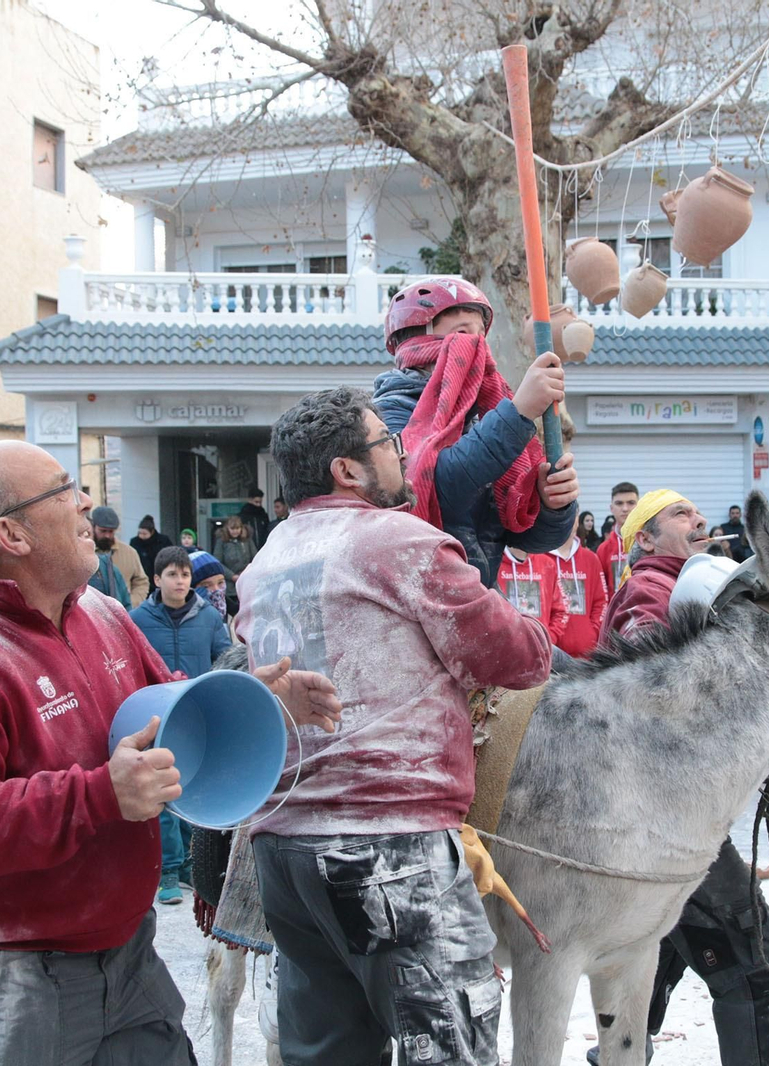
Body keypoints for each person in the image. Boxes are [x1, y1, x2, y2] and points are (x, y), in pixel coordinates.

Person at [0, 438, 340, 1063]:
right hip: (13, 979)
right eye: (65, 491)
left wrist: (255, 696)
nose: (86, 505)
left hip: (128, 957)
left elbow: (167, 705)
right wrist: (101, 794)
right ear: (12, 534)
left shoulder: (100, 611)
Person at [236, 387, 548, 1065]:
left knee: (327, 1053)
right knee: (448, 1047)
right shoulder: (397, 538)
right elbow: (514, 657)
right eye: (388, 444)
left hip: (284, 848)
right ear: (347, 470)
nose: (403, 456)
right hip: (388, 850)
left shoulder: (264, 561)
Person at [598, 488, 769, 1065]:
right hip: (666, 826)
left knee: (649, 967)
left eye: (697, 511)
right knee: (756, 969)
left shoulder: (696, 588)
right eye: (680, 514)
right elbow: (650, 697)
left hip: (658, 823)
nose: (700, 518)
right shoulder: (653, 590)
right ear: (645, 540)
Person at [372, 276, 579, 589]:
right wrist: (518, 412)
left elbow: (527, 538)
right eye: (463, 333)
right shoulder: (386, 417)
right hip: (415, 599)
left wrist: (552, 506)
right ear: (416, 340)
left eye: (482, 335)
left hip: (477, 599)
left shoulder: (481, 416)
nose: (479, 346)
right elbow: (431, 486)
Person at [130, 546, 232, 907]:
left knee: (189, 788)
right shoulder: (136, 619)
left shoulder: (209, 618)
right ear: (157, 580)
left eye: (185, 575)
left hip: (195, 716)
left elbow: (225, 658)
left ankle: (191, 864)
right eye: (172, 575)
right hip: (155, 718)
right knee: (162, 796)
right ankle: (168, 871)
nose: (180, 581)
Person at [551, 526, 608, 658]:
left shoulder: (591, 558)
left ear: (577, 518)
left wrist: (591, 633)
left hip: (585, 655)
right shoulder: (539, 558)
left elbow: (601, 601)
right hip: (550, 654)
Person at [497, 545, 568, 647]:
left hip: (541, 651)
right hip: (505, 650)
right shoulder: (494, 564)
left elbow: (561, 610)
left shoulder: (547, 564)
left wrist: (549, 640)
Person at [87, 505, 149, 609]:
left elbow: (141, 582)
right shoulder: (86, 553)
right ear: (93, 528)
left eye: (111, 531)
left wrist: (130, 603)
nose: (107, 535)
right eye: (103, 531)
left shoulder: (129, 553)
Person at [597, 482, 640, 593]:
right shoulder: (603, 549)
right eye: (619, 503)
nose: (625, 508)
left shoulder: (650, 543)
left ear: (639, 506)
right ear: (612, 508)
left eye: (631, 503)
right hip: (615, 609)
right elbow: (601, 590)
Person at [213, 515, 256, 614]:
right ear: (227, 528)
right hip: (229, 586)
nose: (235, 531)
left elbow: (255, 558)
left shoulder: (247, 541)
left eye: (237, 528)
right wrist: (232, 576)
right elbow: (217, 562)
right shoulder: (221, 542)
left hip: (246, 582)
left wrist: (246, 574)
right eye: (232, 528)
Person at [129, 515, 166, 586]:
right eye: (140, 533)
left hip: (156, 573)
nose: (142, 536)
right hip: (140, 574)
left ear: (152, 532)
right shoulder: (134, 542)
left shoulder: (162, 541)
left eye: (145, 534)